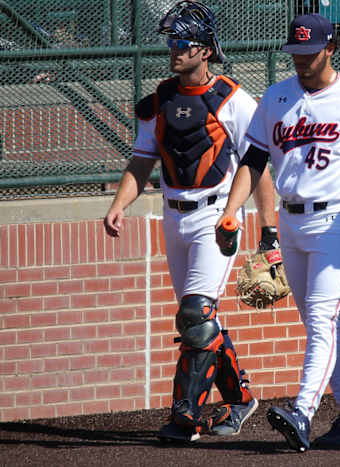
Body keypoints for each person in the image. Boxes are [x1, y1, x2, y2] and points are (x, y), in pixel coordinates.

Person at [215, 13, 340, 453]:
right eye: (296, 52)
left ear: (331, 48)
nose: (302, 60)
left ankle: (303, 410)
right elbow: (252, 161)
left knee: (321, 318)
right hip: (291, 220)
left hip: (337, 219)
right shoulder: (277, 96)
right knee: (321, 321)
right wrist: (231, 212)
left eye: (310, 52)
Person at [103, 1, 277, 443]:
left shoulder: (233, 99)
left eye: (182, 43)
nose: (173, 50)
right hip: (172, 215)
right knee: (198, 323)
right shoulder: (159, 100)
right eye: (171, 42)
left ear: (204, 51)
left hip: (216, 217)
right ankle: (240, 400)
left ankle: (186, 416)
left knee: (196, 314)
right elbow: (142, 160)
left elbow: (258, 163)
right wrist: (120, 203)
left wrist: (266, 230)